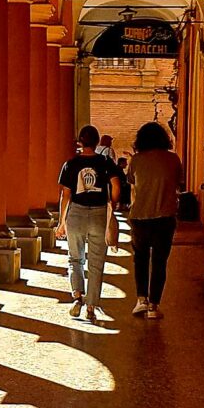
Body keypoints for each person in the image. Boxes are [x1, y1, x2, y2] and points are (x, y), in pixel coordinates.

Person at [57, 124, 120, 320]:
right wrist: (113, 203)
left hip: (76, 213)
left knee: (75, 258)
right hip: (99, 214)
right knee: (96, 263)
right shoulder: (106, 162)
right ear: (96, 141)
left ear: (79, 142)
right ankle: (91, 306)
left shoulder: (70, 164)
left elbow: (65, 195)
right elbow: (116, 184)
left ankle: (77, 296)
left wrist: (61, 222)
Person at [127, 119, 182, 319]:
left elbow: (132, 184)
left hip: (140, 216)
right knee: (159, 262)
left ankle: (141, 300)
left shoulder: (136, 160)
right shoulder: (173, 160)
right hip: (165, 217)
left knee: (140, 259)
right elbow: (178, 184)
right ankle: (154, 306)